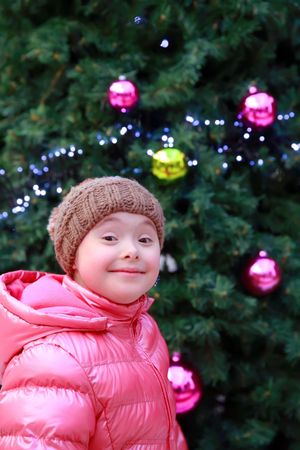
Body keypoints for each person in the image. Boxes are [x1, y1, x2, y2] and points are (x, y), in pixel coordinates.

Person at [0, 176, 188, 449]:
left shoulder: (142, 328)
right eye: (110, 237)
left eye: (145, 239)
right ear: (73, 255)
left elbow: (164, 430)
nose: (132, 251)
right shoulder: (53, 358)